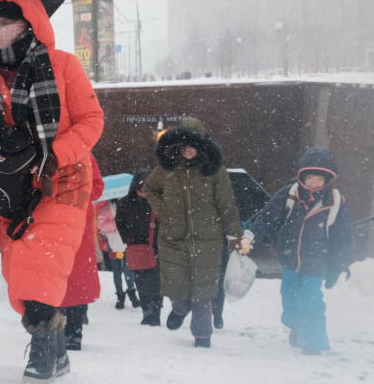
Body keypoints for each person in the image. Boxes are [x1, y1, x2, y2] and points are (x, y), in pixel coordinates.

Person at [0, 0, 104, 382]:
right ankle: (56, 347)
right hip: (10, 184)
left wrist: (56, 156)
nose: (0, 29)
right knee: (21, 271)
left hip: (62, 179)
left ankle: (42, 351)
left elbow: (91, 120)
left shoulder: (62, 64)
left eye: (9, 20)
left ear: (28, 22)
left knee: (42, 264)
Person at [143, 118, 249, 348]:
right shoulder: (167, 168)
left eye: (192, 144)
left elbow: (227, 203)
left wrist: (236, 235)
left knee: (204, 290)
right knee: (176, 286)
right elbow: (149, 188)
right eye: (183, 145)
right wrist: (163, 209)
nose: (187, 150)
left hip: (208, 238)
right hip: (173, 237)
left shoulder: (214, 171)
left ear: (202, 145)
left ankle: (202, 337)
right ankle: (180, 309)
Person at [248, 147, 354, 355]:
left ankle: (314, 341)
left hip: (317, 262)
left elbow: (343, 238)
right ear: (302, 177)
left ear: (328, 179)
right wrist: (251, 235)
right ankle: (297, 326)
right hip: (289, 259)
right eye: (310, 177)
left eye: (319, 179)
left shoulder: (336, 202)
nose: (314, 183)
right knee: (289, 297)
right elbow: (267, 219)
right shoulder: (289, 195)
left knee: (311, 299)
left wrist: (338, 266)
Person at [60, 153, 103, 351]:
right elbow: (97, 187)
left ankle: (69, 330)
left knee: (70, 279)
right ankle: (68, 331)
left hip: (72, 219)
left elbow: (96, 187)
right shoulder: (85, 154)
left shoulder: (84, 155)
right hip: (68, 219)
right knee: (64, 278)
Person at [115, 169, 163, 325]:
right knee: (141, 281)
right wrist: (128, 239)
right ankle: (147, 311)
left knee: (156, 282)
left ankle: (155, 312)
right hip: (136, 247)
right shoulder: (126, 202)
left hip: (157, 248)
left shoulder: (159, 201)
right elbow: (120, 222)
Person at [96, 199, 140, 310]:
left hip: (127, 244)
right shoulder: (106, 208)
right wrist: (117, 225)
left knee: (128, 270)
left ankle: (132, 293)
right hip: (114, 245)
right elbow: (100, 224)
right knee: (117, 272)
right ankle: (120, 296)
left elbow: (134, 221)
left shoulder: (129, 205)